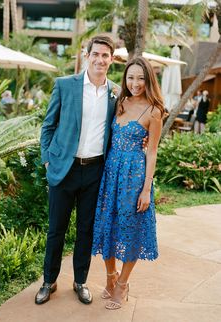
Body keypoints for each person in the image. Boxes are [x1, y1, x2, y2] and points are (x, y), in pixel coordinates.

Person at [35, 35, 118, 306]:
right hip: (64, 169)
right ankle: (49, 280)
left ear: (112, 60)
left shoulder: (115, 93)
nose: (100, 59)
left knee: (86, 230)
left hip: (95, 171)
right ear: (87, 55)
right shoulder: (65, 85)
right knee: (56, 229)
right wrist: (48, 160)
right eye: (96, 54)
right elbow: (48, 126)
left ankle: (80, 281)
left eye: (105, 56)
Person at [91, 57, 164, 310]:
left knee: (130, 229)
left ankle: (122, 284)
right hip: (110, 174)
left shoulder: (154, 111)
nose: (135, 83)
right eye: (131, 77)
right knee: (107, 227)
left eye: (141, 78)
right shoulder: (119, 102)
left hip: (134, 177)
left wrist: (146, 189)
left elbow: (152, 151)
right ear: (125, 78)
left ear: (148, 80)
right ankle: (110, 276)